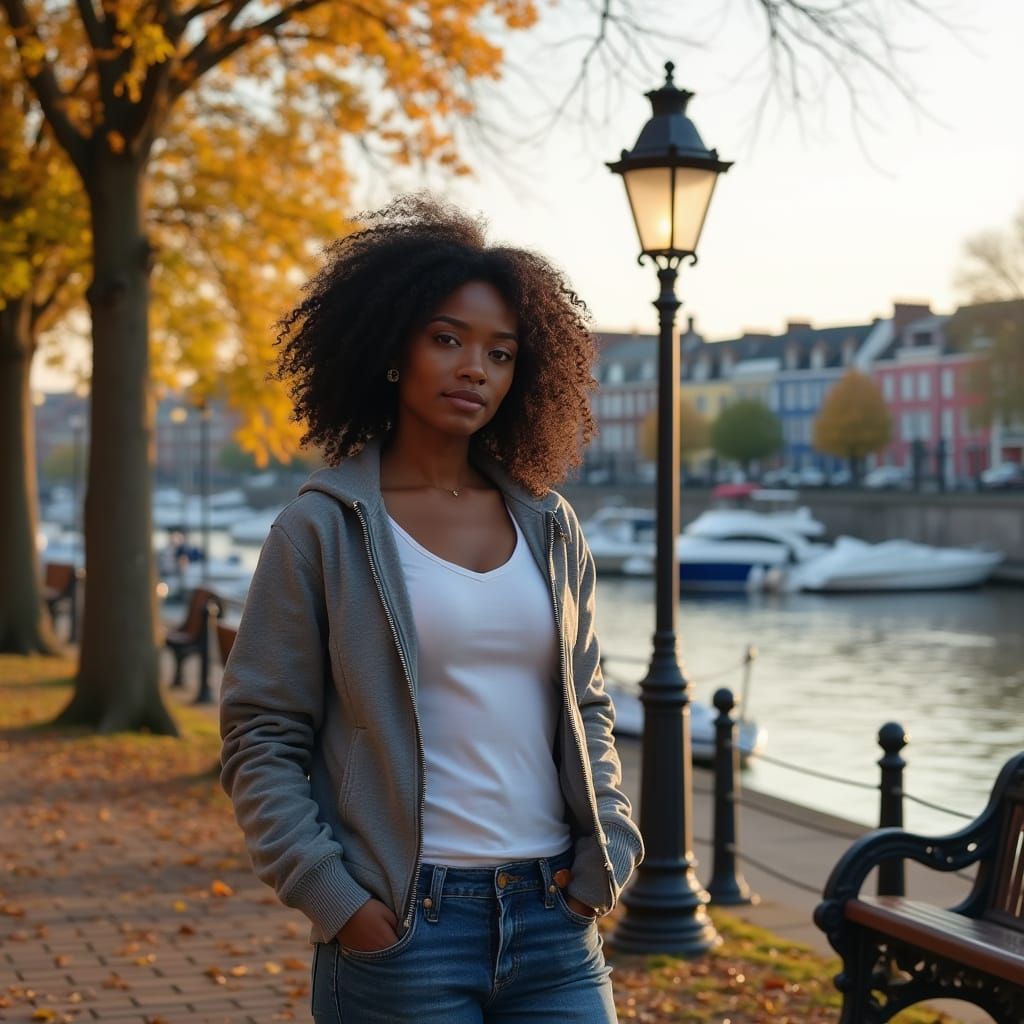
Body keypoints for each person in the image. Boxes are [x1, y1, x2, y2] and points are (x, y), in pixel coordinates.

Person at [219, 194, 643, 1024]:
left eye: (499, 351)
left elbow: (588, 702)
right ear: (390, 350)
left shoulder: (549, 525)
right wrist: (335, 899)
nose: (473, 368)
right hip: (405, 926)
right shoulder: (320, 528)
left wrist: (609, 856)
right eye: (446, 339)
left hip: (554, 919)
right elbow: (261, 734)